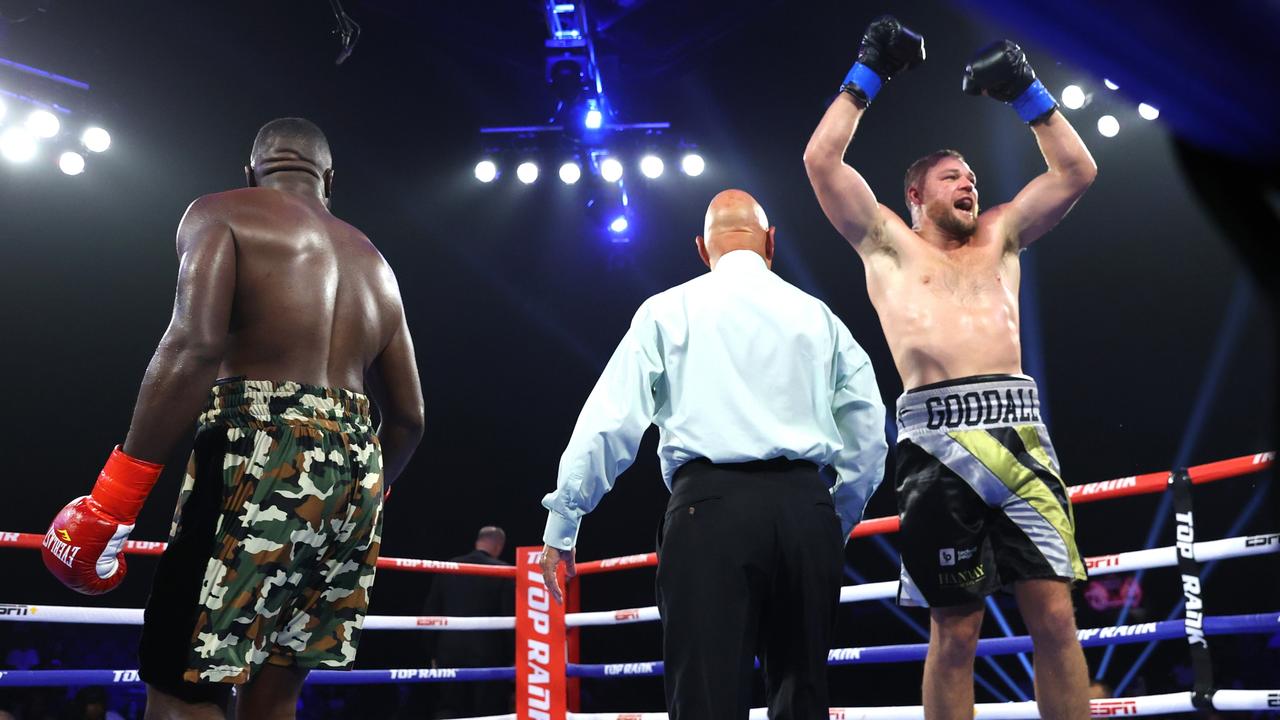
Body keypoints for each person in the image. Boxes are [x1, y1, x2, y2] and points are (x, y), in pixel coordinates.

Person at [41, 118, 425, 719]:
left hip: (257, 445)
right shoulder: (375, 263)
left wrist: (113, 502)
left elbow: (193, 346)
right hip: (356, 475)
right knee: (275, 692)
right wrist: (362, 492)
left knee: (184, 682)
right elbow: (409, 418)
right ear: (329, 180)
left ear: (250, 173)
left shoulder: (222, 212)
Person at [803, 16, 1097, 720]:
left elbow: (1078, 171)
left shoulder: (1002, 233)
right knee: (955, 629)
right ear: (916, 195)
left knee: (1054, 619)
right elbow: (821, 163)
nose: (968, 181)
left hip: (1021, 439)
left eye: (970, 173)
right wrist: (867, 72)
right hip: (937, 453)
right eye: (950, 176)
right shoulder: (889, 246)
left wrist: (1027, 92)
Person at [538, 189, 888, 718]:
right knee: (804, 694)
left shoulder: (667, 310)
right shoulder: (818, 316)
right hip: (805, 511)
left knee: (706, 698)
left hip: (710, 512)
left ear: (702, 249)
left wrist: (565, 520)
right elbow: (868, 432)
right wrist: (831, 518)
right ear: (771, 242)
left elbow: (610, 422)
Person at [422, 526, 515, 718]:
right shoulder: (504, 572)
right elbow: (509, 619)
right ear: (499, 545)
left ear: (477, 541)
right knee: (487, 710)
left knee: (449, 707)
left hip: (448, 651)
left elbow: (430, 612)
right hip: (489, 655)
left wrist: (432, 652)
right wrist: (515, 656)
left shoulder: (449, 567)